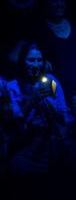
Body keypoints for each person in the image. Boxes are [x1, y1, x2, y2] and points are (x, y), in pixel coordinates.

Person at [5, 43, 69, 172]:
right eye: (31, 60)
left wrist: (48, 103)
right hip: (25, 150)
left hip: (51, 148)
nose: (36, 65)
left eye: (39, 60)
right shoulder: (12, 86)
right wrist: (33, 99)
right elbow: (12, 122)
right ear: (22, 62)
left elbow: (64, 116)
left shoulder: (52, 82)